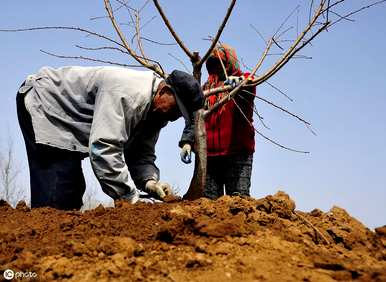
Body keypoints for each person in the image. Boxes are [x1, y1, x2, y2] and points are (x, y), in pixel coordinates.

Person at [16, 66, 204, 210]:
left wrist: (150, 182)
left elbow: (141, 153)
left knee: (71, 192)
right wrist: (128, 197)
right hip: (46, 103)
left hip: (72, 121)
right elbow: (104, 149)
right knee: (59, 190)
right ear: (164, 91)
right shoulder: (127, 94)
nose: (174, 117)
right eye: (176, 109)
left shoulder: (157, 113)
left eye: (180, 115)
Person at [200, 44, 256, 199]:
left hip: (237, 154)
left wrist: (239, 81)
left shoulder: (240, 84)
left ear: (229, 63)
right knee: (209, 206)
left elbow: (250, 81)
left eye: (221, 63)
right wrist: (188, 141)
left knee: (238, 202)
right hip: (210, 157)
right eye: (214, 64)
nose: (217, 68)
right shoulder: (205, 90)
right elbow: (196, 118)